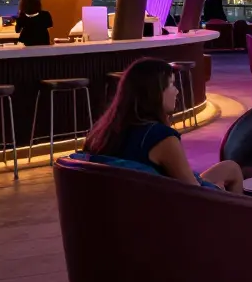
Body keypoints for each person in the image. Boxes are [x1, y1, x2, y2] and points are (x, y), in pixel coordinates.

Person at [83, 58, 243, 192]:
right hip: (164, 213)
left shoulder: (101, 133)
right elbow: (193, 193)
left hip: (125, 208)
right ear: (155, 92)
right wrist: (218, 194)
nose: (177, 92)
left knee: (231, 168)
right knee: (230, 182)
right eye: (172, 85)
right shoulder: (161, 137)